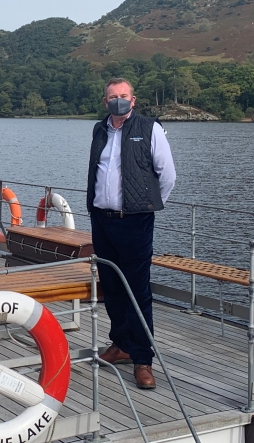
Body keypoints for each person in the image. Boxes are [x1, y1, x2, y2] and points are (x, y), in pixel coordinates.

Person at [86, 78, 176, 390]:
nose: (118, 101)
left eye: (123, 96)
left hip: (135, 221)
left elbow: (167, 175)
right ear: (105, 100)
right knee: (111, 287)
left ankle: (142, 358)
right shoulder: (99, 130)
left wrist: (146, 205)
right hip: (102, 219)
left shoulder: (150, 129)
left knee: (138, 291)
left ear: (133, 100)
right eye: (113, 97)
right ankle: (121, 343)